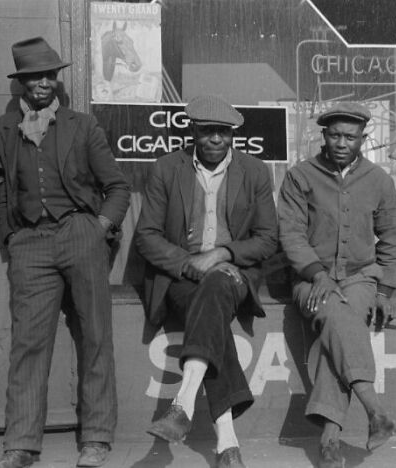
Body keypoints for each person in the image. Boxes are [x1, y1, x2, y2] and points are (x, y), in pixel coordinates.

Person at [0, 37, 130, 468]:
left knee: (95, 336)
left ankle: (97, 438)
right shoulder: (1, 128)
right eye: (35, 76)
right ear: (21, 83)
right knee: (28, 343)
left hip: (80, 233)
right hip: (29, 242)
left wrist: (99, 228)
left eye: (50, 75)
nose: (44, 83)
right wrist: (13, 238)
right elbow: (4, 184)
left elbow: (117, 187)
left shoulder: (82, 126)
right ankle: (21, 445)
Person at [135, 95, 278, 468]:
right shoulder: (167, 168)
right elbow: (147, 236)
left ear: (233, 135)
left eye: (223, 132)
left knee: (216, 286)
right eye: (208, 131)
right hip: (181, 277)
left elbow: (267, 239)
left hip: (234, 273)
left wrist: (220, 255)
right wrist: (190, 262)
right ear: (194, 131)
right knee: (212, 308)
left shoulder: (256, 171)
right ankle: (227, 443)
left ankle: (182, 402)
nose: (216, 139)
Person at [277, 102, 396, 468]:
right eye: (334, 135)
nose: (342, 142)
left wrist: (384, 291)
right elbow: (292, 234)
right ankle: (374, 408)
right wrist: (316, 274)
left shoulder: (379, 180)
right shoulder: (300, 176)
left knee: (337, 333)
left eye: (350, 136)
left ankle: (330, 440)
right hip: (310, 279)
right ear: (324, 136)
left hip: (361, 278)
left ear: (363, 138)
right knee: (335, 314)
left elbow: (391, 239)